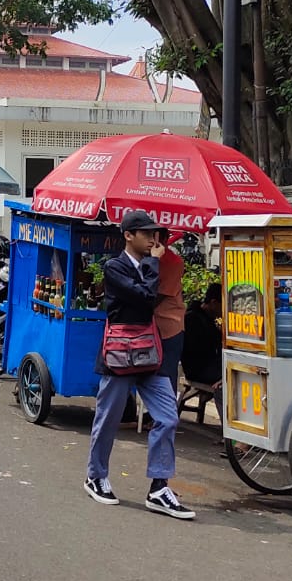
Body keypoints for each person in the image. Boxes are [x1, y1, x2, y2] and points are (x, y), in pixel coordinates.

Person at [84, 210, 193, 519]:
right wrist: (154, 262)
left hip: (148, 351)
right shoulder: (114, 267)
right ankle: (96, 475)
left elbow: (154, 292)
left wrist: (157, 263)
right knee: (109, 418)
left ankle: (159, 487)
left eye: (156, 234)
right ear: (129, 235)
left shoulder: (151, 264)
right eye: (146, 234)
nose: (153, 240)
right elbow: (145, 296)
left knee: (168, 417)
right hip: (119, 353)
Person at [154, 230, 186, 384]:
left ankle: (167, 408)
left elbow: (157, 296)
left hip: (168, 327)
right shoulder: (144, 259)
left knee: (165, 377)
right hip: (150, 326)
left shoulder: (173, 262)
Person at [182, 282, 224, 387]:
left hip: (209, 365)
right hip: (199, 370)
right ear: (214, 303)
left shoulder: (206, 318)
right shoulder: (193, 319)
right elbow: (198, 349)